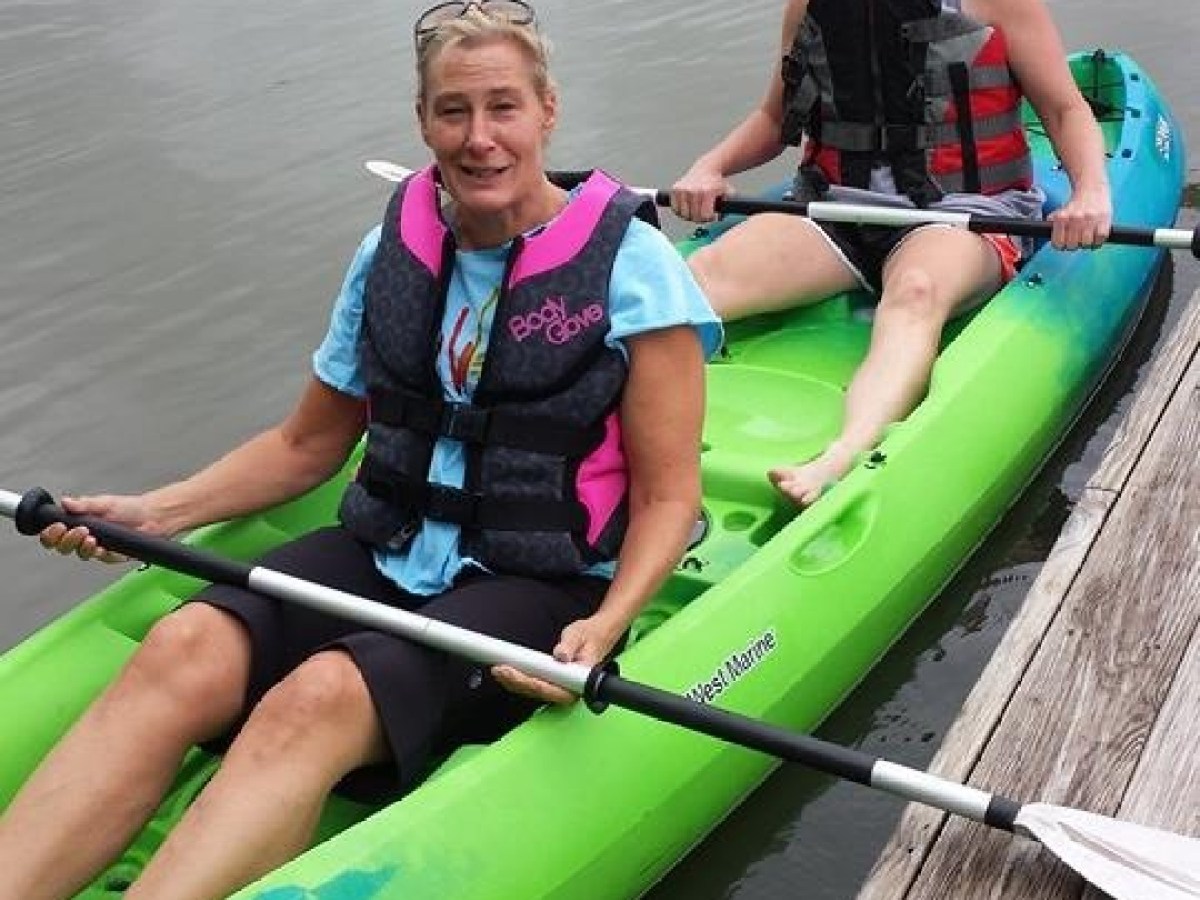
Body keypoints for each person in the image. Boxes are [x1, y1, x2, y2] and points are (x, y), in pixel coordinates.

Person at [0, 4, 721, 899]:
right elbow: (307, 444)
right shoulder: (389, 254)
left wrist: (606, 628)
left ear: (547, 109)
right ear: (423, 122)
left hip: (542, 582)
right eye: (453, 111)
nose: (480, 137)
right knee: (182, 645)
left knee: (318, 697)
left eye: (503, 106)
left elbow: (667, 499)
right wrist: (159, 512)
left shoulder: (636, 269)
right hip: (385, 548)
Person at [671, 0, 1112, 506]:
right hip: (836, 207)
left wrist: (1090, 192)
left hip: (963, 213)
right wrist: (710, 166)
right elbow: (774, 120)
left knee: (916, 291)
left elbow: (1064, 110)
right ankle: (615, 404)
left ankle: (844, 453)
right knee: (701, 275)